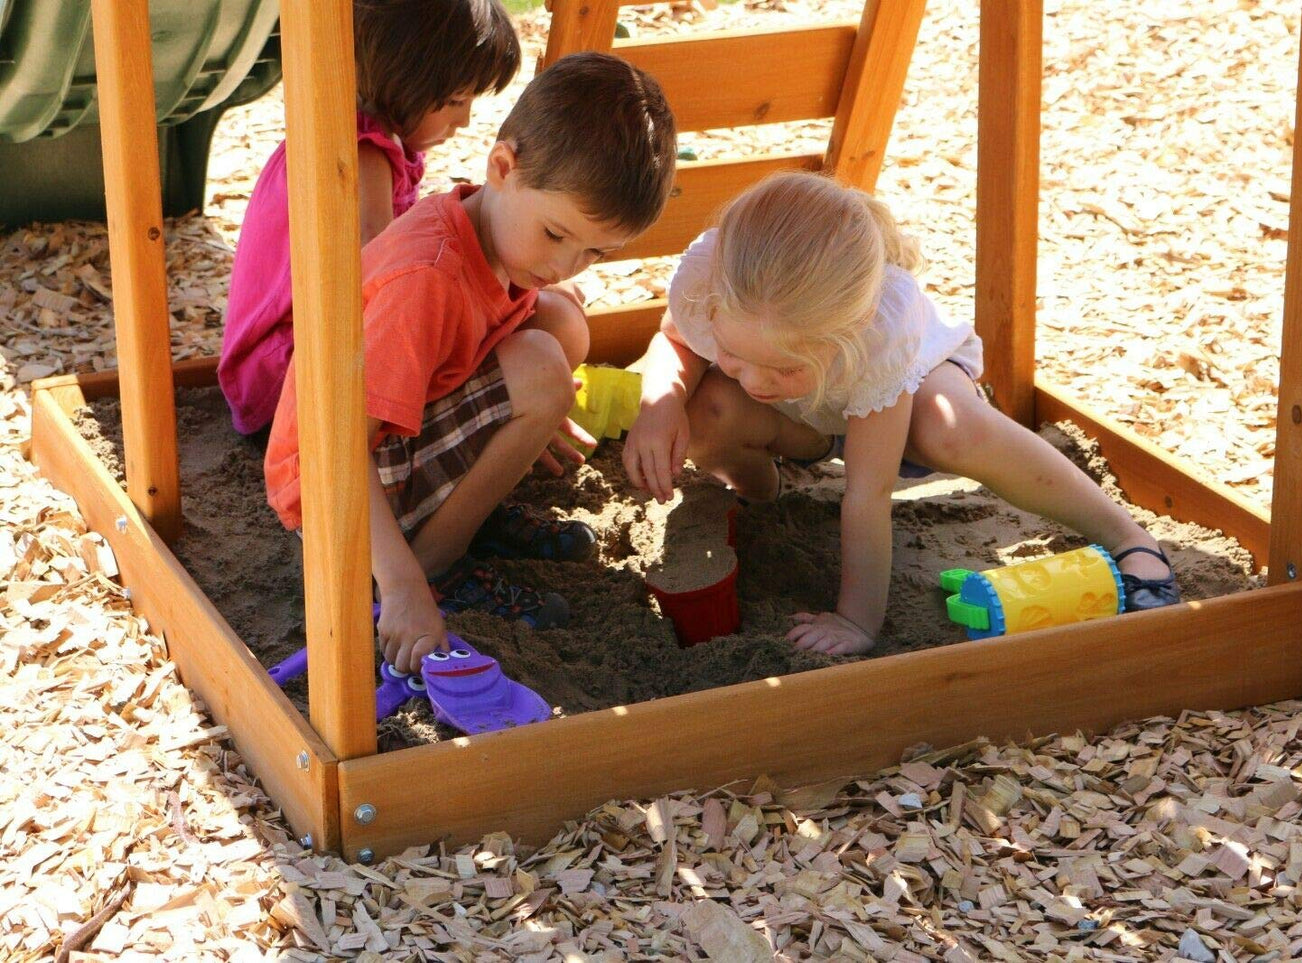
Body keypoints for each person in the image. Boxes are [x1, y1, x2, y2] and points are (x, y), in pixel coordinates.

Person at [623, 172, 1180, 656]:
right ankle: (759, 491)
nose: (757, 382)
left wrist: (855, 620)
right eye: (737, 355)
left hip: (905, 401)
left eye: (783, 368)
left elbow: (868, 493)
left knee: (953, 430)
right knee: (706, 407)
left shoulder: (883, 324)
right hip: (809, 420)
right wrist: (661, 405)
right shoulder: (708, 273)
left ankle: (1129, 538)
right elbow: (677, 341)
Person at [264, 52, 678, 673]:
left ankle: (457, 520)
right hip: (332, 503)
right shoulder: (427, 279)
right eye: (557, 236)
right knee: (541, 368)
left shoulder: (492, 235)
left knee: (560, 322)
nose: (566, 264)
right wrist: (403, 588)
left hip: (389, 460)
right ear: (503, 166)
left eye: (594, 252)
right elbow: (334, 451)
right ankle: (437, 564)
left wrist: (510, 429)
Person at [219, 0, 521, 437]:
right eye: (455, 100)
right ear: (400, 80)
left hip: (287, 365)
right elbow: (382, 276)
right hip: (288, 381)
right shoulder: (361, 156)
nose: (465, 119)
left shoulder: (368, 140)